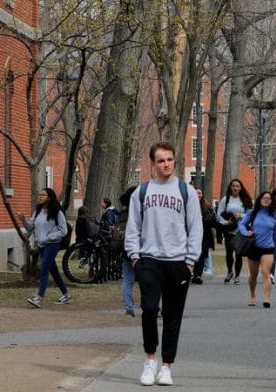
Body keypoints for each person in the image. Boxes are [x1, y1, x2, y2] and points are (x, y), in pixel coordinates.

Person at [124, 141, 203, 386]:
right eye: (161, 160)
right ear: (153, 164)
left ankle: (166, 365)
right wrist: (135, 258)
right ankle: (150, 359)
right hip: (149, 261)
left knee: (173, 315)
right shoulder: (142, 192)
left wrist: (190, 262)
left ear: (174, 161)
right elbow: (133, 226)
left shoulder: (185, 191)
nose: (166, 164)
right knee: (149, 309)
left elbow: (195, 227)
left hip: (178, 262)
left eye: (169, 159)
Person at [17, 188, 72, 308]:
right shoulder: (38, 211)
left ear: (50, 197)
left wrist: (48, 238)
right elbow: (30, 228)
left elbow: (63, 230)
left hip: (52, 245)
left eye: (43, 195)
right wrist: (23, 220)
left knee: (43, 268)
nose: (40, 197)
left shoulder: (57, 212)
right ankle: (66, 295)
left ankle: (39, 297)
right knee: (54, 271)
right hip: (41, 245)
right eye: (39, 194)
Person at [239, 191, 276, 308]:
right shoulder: (252, 213)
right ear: (259, 199)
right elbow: (242, 224)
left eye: (269, 198)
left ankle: (267, 298)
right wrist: (246, 232)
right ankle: (252, 295)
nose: (267, 200)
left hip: (268, 248)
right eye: (264, 198)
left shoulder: (274, 216)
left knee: (265, 272)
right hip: (253, 247)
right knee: (253, 275)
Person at [216, 178, 253, 284]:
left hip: (241, 230)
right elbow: (218, 215)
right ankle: (229, 272)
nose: (235, 188)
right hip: (229, 230)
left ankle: (237, 276)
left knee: (238, 254)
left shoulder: (245, 200)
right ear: (230, 188)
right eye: (233, 186)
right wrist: (226, 222)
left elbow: (251, 214)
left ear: (241, 188)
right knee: (229, 253)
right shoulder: (225, 199)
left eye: (237, 186)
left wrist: (241, 215)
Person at [118, 185, 137, 317]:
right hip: (141, 250)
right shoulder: (141, 211)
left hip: (125, 250)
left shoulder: (122, 213)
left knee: (128, 280)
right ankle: (152, 307)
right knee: (148, 280)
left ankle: (129, 308)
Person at [192, 186, 216, 284]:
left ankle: (198, 275)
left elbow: (213, 220)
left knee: (202, 256)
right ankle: (193, 273)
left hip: (204, 235)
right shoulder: (188, 205)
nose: (198, 195)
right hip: (191, 235)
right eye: (196, 193)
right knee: (194, 255)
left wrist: (203, 219)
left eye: (200, 193)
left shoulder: (207, 207)